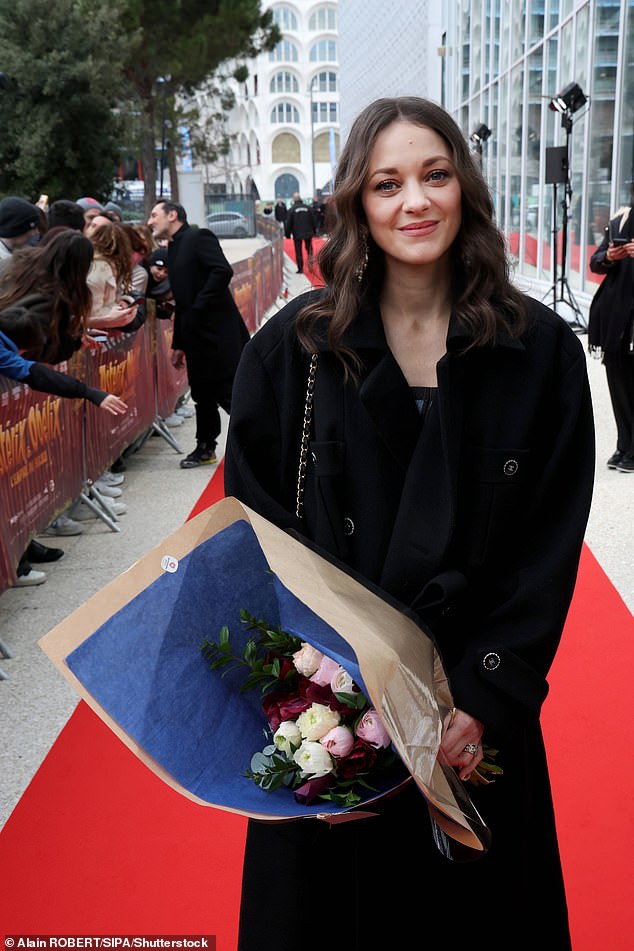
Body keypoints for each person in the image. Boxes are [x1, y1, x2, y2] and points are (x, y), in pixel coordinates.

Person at [224, 97, 595, 951]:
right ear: (356, 202)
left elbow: (548, 547)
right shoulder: (291, 355)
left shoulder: (538, 353)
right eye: (386, 183)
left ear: (463, 186)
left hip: (474, 729)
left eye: (433, 175)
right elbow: (256, 539)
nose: (413, 202)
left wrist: (483, 699)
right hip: (333, 731)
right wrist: (324, 704)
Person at [147, 199, 249, 468]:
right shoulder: (173, 248)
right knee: (202, 395)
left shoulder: (198, 236)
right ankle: (206, 447)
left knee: (229, 393)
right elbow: (182, 301)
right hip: (195, 338)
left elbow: (221, 270)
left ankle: (262, 443)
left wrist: (198, 306)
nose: (150, 221)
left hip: (218, 336)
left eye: (154, 215)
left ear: (172, 215)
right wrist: (179, 343)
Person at [588, 192, 634, 472]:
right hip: (615, 318)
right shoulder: (621, 220)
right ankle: (624, 444)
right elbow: (596, 262)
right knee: (618, 384)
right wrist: (610, 255)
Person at [0, 196, 40, 263]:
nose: (36, 232)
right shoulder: (5, 263)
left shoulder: (22, 256)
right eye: (33, 228)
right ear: (17, 229)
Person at [284, 192, 316, 273]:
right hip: (308, 232)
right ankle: (311, 266)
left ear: (293, 200)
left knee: (298, 251)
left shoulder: (291, 210)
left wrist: (287, 234)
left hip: (297, 233)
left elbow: (288, 223)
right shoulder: (308, 208)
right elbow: (314, 220)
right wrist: (314, 231)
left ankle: (300, 268)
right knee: (309, 250)